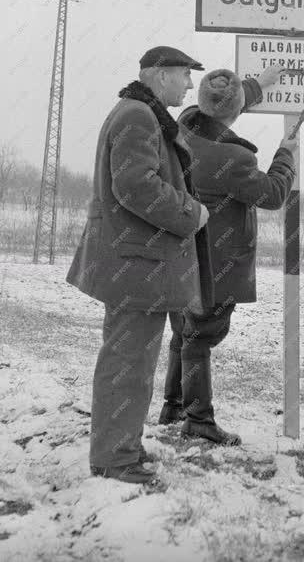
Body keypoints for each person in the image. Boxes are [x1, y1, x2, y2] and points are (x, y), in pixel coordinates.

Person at [66, 45, 210, 484]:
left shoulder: (139, 112)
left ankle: (121, 446)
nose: (189, 84)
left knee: (133, 360)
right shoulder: (137, 115)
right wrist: (192, 213)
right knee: (128, 362)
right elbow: (134, 185)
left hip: (138, 262)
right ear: (159, 75)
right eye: (185, 75)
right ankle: (114, 458)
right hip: (137, 264)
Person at [158, 68, 297, 444]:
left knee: (183, 333)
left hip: (181, 255)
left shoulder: (185, 125)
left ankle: (173, 406)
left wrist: (258, 85)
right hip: (216, 266)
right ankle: (199, 422)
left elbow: (221, 109)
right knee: (200, 338)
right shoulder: (233, 159)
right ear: (236, 110)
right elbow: (273, 194)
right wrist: (286, 154)